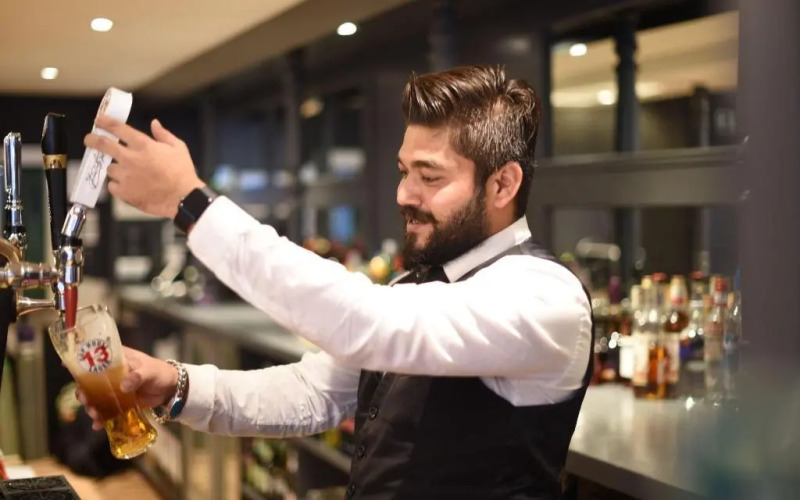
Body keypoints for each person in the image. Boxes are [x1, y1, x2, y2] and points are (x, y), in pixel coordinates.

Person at [82, 65, 592, 499]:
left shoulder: (545, 296)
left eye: (430, 177)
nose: (404, 194)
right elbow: (315, 392)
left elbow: (365, 322)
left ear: (503, 184)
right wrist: (177, 385)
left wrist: (191, 204)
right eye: (403, 171)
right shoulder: (417, 284)